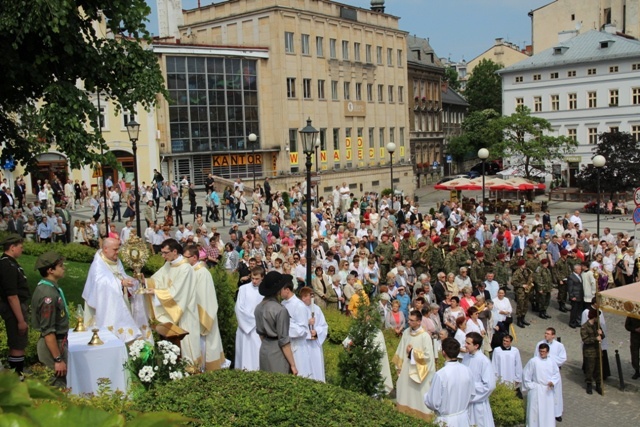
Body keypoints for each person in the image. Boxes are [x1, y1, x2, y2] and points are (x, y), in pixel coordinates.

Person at [82, 238, 152, 343]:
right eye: (115, 249)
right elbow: (100, 283)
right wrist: (120, 283)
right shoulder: (98, 264)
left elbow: (121, 275)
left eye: (118, 248)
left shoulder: (116, 261)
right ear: (105, 249)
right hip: (105, 306)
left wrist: (134, 281)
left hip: (121, 301)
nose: (117, 251)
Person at [143, 239, 201, 364]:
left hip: (185, 313)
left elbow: (178, 293)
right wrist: (145, 281)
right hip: (172, 311)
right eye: (162, 253)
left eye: (165, 252)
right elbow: (157, 279)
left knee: (186, 348)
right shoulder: (169, 264)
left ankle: (190, 371)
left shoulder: (185, 268)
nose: (163, 256)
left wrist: (157, 293)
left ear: (175, 251)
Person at [184, 245, 226, 371]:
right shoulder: (191, 271)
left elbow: (205, 299)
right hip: (191, 317)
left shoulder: (202, 273)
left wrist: (201, 318)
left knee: (204, 347)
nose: (183, 260)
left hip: (201, 318)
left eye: (186, 257)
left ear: (195, 257)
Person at [30, 251, 69, 387]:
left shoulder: (50, 289)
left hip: (58, 342)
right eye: (60, 265)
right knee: (57, 386)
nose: (63, 268)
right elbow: (48, 330)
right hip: (53, 345)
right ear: (50, 270)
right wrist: (57, 359)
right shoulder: (48, 295)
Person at [392, 309, 436, 420]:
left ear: (419, 321)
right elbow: (401, 348)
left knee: (419, 395)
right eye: (409, 320)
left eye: (412, 320)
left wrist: (412, 352)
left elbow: (428, 357)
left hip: (418, 371)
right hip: (406, 368)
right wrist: (399, 366)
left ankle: (422, 417)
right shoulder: (406, 332)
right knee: (404, 391)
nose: (409, 322)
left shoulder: (425, 336)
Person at [424, 337, 475, 427]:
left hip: (446, 421)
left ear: (443, 352)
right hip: (463, 419)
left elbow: (433, 403)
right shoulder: (467, 370)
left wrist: (426, 396)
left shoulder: (441, 374)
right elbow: (472, 394)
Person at [254, 271, 298, 375]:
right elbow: (284, 342)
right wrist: (293, 365)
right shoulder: (280, 310)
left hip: (264, 348)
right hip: (277, 351)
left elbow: (260, 334)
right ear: (278, 290)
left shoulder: (258, 307)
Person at [0, 235, 29, 377]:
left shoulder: (11, 263)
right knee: (18, 344)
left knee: (19, 343)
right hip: (13, 310)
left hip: (16, 307)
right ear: (12, 247)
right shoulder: (8, 265)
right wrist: (21, 320)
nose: (21, 250)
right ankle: (17, 377)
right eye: (20, 247)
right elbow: (12, 295)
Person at [462, 332, 496, 427]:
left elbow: (489, 386)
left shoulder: (483, 361)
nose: (465, 345)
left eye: (468, 343)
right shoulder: (466, 357)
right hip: (465, 403)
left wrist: (471, 389)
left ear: (476, 346)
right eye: (465, 342)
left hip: (478, 404)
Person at [522, 343, 561, 427]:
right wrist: (531, 386)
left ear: (547, 352)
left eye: (543, 351)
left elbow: (556, 374)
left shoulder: (551, 362)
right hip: (536, 389)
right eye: (540, 351)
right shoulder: (534, 361)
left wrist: (552, 382)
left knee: (547, 410)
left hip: (547, 390)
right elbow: (526, 374)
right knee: (535, 411)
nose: (542, 353)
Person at [280, 279, 313, 378]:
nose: (279, 292)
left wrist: (284, 325)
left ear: (287, 290)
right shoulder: (282, 303)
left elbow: (302, 330)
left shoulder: (299, 305)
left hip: (298, 347)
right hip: (286, 345)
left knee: (301, 375)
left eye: (280, 290)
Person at [234, 266, 264, 371]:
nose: (254, 281)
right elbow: (238, 309)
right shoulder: (243, 289)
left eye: (257, 279)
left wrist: (257, 322)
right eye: (252, 278)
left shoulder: (264, 292)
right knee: (243, 355)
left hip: (258, 330)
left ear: (262, 278)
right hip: (244, 329)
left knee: (256, 356)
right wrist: (252, 321)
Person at [535, 327, 566, 422]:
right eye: (545, 333)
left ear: (553, 335)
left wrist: (550, 358)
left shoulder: (559, 345)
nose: (546, 335)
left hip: (553, 372)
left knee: (556, 393)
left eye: (548, 334)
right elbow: (536, 357)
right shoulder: (540, 344)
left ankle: (557, 413)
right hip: (543, 372)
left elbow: (563, 358)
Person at [299, 286, 328, 382]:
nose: (309, 298)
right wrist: (307, 322)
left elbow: (323, 326)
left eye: (311, 296)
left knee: (316, 366)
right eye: (306, 296)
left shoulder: (317, 309)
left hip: (314, 344)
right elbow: (295, 326)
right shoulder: (299, 308)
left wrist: (316, 332)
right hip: (304, 343)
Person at [580, 309, 604, 395]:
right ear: (594, 317)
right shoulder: (584, 327)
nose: (598, 318)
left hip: (597, 350)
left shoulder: (597, 325)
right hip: (589, 352)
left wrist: (601, 334)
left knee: (598, 369)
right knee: (590, 369)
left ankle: (598, 385)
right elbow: (585, 340)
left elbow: (602, 336)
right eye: (597, 317)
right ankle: (589, 384)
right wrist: (595, 338)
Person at [567, 263, 584, 328]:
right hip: (575, 296)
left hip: (580, 295)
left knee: (579, 310)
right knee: (574, 310)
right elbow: (570, 287)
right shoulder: (571, 277)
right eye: (579, 269)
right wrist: (571, 296)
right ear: (575, 269)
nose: (580, 270)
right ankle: (572, 322)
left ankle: (578, 321)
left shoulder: (580, 275)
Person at [626, 316, 640, 380]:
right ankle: (637, 371)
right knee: (634, 355)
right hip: (635, 338)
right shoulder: (631, 315)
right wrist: (635, 329)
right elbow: (627, 326)